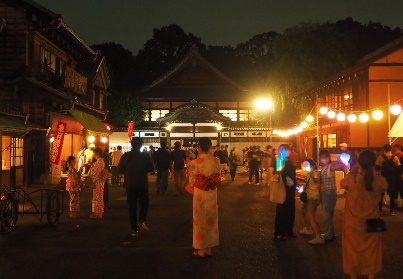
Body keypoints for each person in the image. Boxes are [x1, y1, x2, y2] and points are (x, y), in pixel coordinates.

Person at [341, 150, 388, 279]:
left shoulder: (352, 179)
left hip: (352, 223)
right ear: (374, 163)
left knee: (352, 254)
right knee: (371, 254)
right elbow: (384, 187)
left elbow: (342, 183)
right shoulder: (380, 181)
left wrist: (354, 169)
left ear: (359, 163)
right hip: (372, 223)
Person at [186, 137, 221, 258]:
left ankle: (201, 249)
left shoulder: (195, 162)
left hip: (200, 193)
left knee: (199, 220)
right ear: (210, 147)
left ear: (199, 147)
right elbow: (218, 177)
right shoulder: (216, 161)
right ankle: (209, 249)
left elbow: (192, 180)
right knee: (211, 219)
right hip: (211, 192)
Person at [118, 138, 154, 237]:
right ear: (141, 145)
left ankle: (134, 230)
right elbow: (151, 168)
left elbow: (120, 169)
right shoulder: (145, 156)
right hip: (142, 183)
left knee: (131, 206)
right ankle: (142, 219)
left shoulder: (126, 155)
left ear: (131, 145)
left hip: (130, 184)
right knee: (144, 203)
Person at [274, 144, 297, 240]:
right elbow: (278, 173)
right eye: (287, 150)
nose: (289, 152)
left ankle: (289, 230)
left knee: (290, 209)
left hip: (290, 188)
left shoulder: (288, 160)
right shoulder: (280, 160)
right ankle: (279, 232)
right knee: (282, 210)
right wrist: (286, 178)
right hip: (284, 187)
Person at [299, 159, 323, 244]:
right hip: (308, 196)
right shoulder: (310, 173)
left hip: (313, 197)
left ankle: (318, 236)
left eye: (307, 165)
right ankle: (308, 228)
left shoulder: (315, 172)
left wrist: (312, 175)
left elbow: (317, 181)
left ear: (312, 166)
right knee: (303, 212)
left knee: (310, 215)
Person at [319, 149, 341, 242]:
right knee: (329, 214)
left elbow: (337, 165)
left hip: (328, 193)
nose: (324, 159)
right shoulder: (324, 168)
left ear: (328, 158)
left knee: (326, 214)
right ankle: (331, 233)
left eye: (325, 157)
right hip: (331, 192)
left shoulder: (330, 166)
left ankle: (328, 235)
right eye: (322, 157)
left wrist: (341, 158)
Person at [375, 144, 400, 216]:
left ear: (384, 149)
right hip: (392, 178)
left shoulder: (380, 157)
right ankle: (392, 210)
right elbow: (398, 168)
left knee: (381, 193)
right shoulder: (395, 158)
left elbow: (377, 167)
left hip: (383, 177)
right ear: (391, 149)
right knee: (392, 194)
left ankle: (380, 209)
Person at [87, 148, 106, 219]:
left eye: (94, 153)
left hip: (97, 181)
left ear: (97, 153)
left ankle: (97, 212)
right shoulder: (100, 161)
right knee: (99, 197)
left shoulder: (99, 161)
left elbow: (95, 172)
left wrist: (90, 175)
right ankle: (99, 212)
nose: (94, 155)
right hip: (99, 181)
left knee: (97, 197)